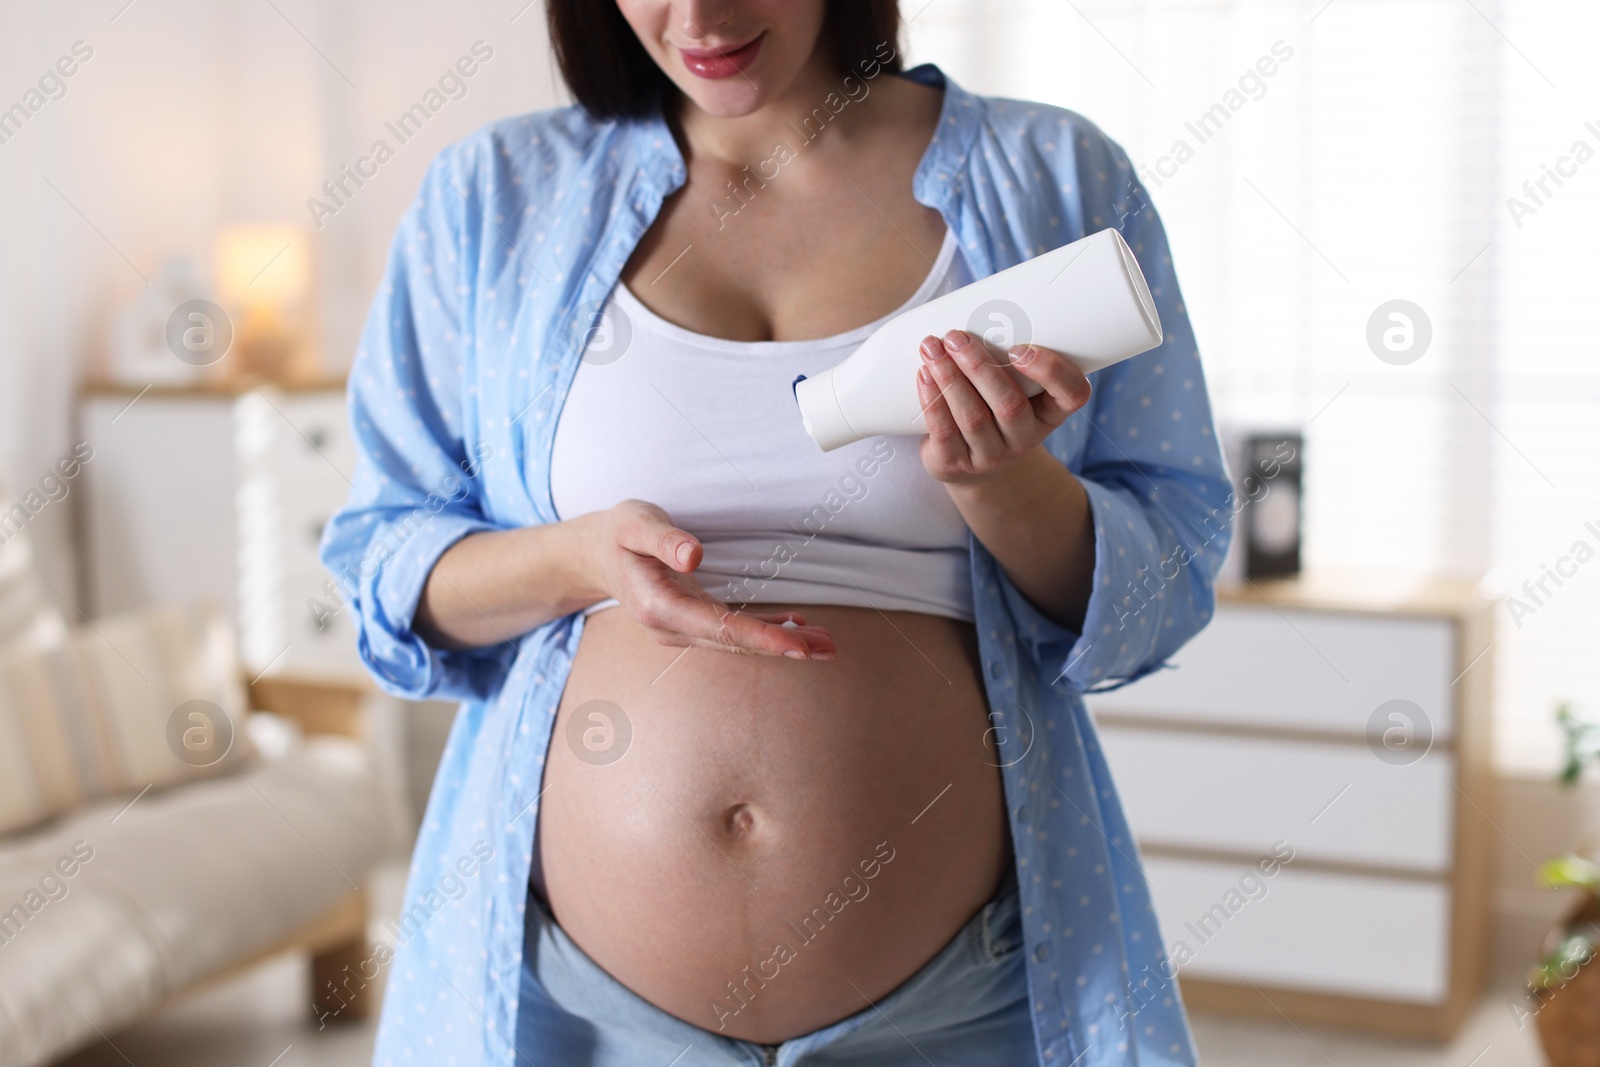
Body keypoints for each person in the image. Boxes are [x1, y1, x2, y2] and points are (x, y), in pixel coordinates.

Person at [321, 2, 1234, 1064]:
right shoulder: (494, 197)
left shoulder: (1057, 179)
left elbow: (1165, 579)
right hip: (581, 1009)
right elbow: (382, 558)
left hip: (964, 1002)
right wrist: (574, 558)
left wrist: (1004, 487)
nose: (701, 16)